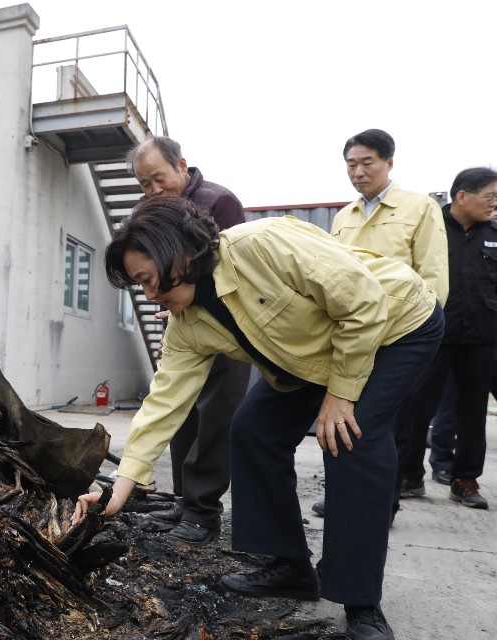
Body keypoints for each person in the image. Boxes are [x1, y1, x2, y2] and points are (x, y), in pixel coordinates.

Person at [73, 195, 443, 640]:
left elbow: (363, 303)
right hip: (313, 355)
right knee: (252, 430)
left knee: (349, 437)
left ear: (180, 252)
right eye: (141, 286)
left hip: (394, 324)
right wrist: (122, 488)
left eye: (149, 280)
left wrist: (342, 395)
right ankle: (289, 566)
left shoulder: (263, 243)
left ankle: (361, 601)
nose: (151, 295)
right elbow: (164, 402)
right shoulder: (187, 324)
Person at [311, 128, 448, 518]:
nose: (358, 171)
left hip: (401, 333)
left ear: (389, 162)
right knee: (347, 420)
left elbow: (434, 275)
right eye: (351, 164)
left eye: (367, 162)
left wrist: (425, 336)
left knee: (389, 422)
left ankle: (383, 502)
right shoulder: (344, 216)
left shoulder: (419, 208)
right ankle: (345, 494)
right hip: (356, 334)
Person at [125, 136, 251, 544]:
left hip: (227, 327)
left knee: (215, 415)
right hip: (180, 322)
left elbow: (232, 274)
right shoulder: (150, 213)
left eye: (159, 178)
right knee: (178, 411)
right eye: (145, 185)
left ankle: (203, 512)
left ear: (181, 165)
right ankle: (183, 497)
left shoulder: (219, 201)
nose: (154, 191)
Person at [399, 167, 497, 509]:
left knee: (473, 412)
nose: (494, 204)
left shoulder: (495, 234)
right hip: (434, 333)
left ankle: (465, 480)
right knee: (416, 406)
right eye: (489, 197)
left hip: (482, 337)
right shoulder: (431, 227)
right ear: (462, 196)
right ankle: (409, 475)